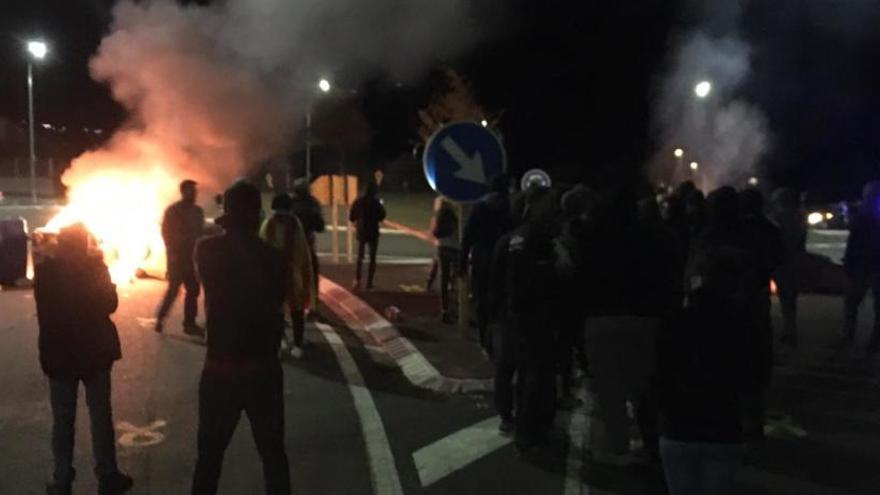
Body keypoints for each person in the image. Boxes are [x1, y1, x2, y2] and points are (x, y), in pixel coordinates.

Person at [191, 181, 291, 495]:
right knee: (273, 456)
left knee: (209, 458)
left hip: (220, 368)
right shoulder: (275, 258)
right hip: (262, 368)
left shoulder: (206, 251)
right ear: (257, 215)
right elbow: (279, 297)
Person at [659, 188, 756, 495]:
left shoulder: (677, 320)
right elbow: (749, 377)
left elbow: (660, 373)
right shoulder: (740, 324)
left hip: (679, 429)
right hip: (722, 430)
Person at [34, 224, 133, 495]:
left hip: (60, 354)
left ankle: (62, 479)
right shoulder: (94, 267)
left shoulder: (47, 271)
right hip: (94, 353)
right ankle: (108, 475)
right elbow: (110, 304)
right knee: (100, 415)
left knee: (63, 421)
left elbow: (45, 311)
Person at [581, 190, 679, 466]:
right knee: (645, 387)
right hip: (645, 319)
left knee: (609, 388)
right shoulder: (652, 238)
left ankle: (617, 445)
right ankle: (651, 444)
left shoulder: (595, 238)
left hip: (602, 319)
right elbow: (667, 277)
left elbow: (581, 280)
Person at [505, 186, 560, 455]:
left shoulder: (519, 236)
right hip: (536, 316)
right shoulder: (536, 236)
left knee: (528, 375)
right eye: (547, 204)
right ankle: (529, 431)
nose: (552, 208)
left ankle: (526, 428)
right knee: (536, 376)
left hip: (522, 316)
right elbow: (538, 278)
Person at [260, 193, 316, 360]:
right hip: (292, 275)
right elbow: (302, 251)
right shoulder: (294, 224)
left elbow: (263, 248)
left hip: (273, 276)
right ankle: (297, 344)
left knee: (277, 311)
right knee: (296, 310)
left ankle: (281, 340)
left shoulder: (269, 223)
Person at [460, 174, 511, 355]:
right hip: (504, 262)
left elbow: (467, 236)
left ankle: (485, 342)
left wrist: (462, 263)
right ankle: (499, 341)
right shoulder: (510, 208)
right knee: (500, 303)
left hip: (482, 260)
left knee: (482, 302)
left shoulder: (480, 207)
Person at [156, 179, 206, 337]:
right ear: (184, 191)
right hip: (177, 256)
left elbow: (200, 231)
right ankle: (160, 318)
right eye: (191, 190)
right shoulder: (173, 211)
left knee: (193, 289)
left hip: (192, 256)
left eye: (195, 191)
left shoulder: (198, 211)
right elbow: (166, 233)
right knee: (173, 290)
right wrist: (171, 253)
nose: (195, 193)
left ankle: (189, 324)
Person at [841, 181, 880, 352]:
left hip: (869, 264)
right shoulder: (863, 214)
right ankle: (855, 337)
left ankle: (861, 339)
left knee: (854, 303)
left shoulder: (865, 215)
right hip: (865, 265)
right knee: (852, 302)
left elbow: (856, 240)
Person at [768, 188, 806, 348]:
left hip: (781, 262)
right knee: (790, 300)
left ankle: (788, 333)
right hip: (795, 261)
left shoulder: (777, 218)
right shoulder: (799, 217)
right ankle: (791, 331)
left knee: (785, 298)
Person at [289, 178, 325, 296]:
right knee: (312, 273)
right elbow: (320, 226)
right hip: (308, 243)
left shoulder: (291, 203)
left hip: (292, 245)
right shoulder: (313, 204)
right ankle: (313, 304)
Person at [349, 181, 386, 290]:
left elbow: (352, 217)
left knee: (360, 257)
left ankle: (357, 280)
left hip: (362, 231)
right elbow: (382, 216)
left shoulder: (359, 201)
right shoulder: (376, 202)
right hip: (373, 231)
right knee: (372, 259)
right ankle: (369, 283)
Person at [430, 199, 460, 323]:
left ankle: (445, 308)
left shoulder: (440, 217)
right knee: (457, 278)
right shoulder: (454, 218)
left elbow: (435, 232)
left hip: (442, 248)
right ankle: (456, 307)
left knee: (444, 278)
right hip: (455, 248)